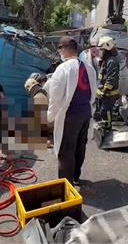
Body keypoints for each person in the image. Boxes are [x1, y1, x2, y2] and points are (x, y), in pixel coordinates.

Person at [47, 36, 97, 185]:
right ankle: (75, 176)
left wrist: (50, 116)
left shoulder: (63, 68)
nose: (60, 53)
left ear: (64, 49)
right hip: (85, 113)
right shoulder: (89, 67)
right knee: (79, 146)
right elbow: (94, 90)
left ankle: (65, 184)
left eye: (60, 49)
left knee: (66, 150)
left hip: (70, 115)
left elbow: (55, 96)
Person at [95, 36, 120, 131]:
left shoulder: (112, 61)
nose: (100, 52)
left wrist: (105, 91)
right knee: (102, 111)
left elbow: (111, 78)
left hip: (108, 94)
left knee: (106, 111)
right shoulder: (106, 60)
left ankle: (107, 126)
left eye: (102, 50)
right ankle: (104, 123)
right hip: (102, 93)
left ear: (107, 48)